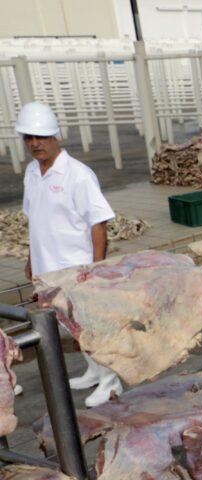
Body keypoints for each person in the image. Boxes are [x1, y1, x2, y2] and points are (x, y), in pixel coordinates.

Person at [18, 101, 120, 407]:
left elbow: (98, 223)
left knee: (91, 325)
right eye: (29, 138)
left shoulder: (78, 174)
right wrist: (31, 258)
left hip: (75, 267)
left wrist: (95, 268)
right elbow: (34, 218)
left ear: (55, 136)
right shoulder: (32, 174)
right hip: (48, 268)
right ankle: (93, 371)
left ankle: (111, 382)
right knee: (69, 326)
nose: (35, 144)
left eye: (41, 137)